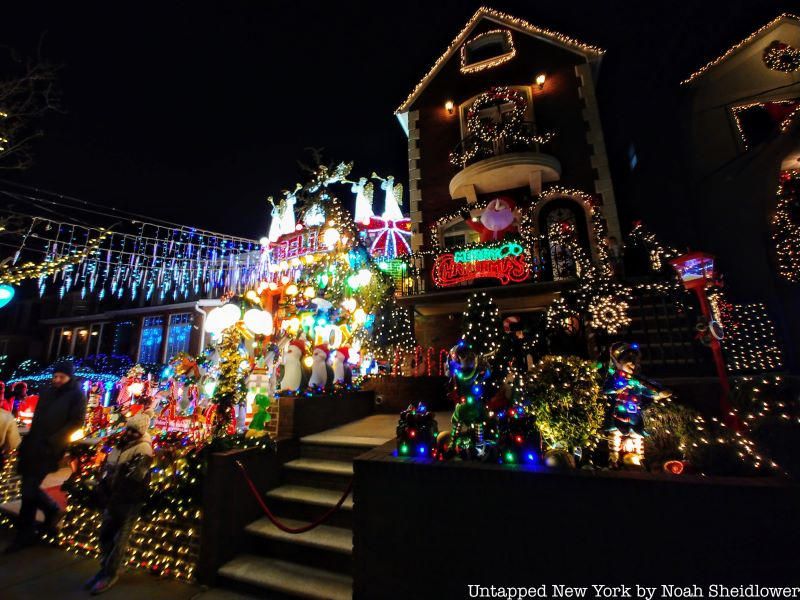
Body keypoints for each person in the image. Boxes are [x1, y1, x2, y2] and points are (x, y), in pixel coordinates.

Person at [8, 360, 86, 551]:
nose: (57, 380)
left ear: (69, 377)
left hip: (49, 448)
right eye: (55, 376)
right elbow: (38, 419)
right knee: (29, 488)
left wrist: (55, 441)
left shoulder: (76, 396)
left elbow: (76, 422)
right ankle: (49, 514)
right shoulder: (48, 393)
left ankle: (26, 532)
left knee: (29, 489)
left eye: (61, 377)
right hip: (33, 445)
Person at [85, 412, 153, 595]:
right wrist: (104, 486)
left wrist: (118, 492)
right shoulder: (120, 445)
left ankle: (110, 572)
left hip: (127, 501)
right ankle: (104, 569)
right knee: (105, 535)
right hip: (112, 498)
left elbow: (136, 477)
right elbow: (109, 468)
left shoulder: (144, 449)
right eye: (128, 429)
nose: (130, 433)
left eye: (134, 431)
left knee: (119, 540)